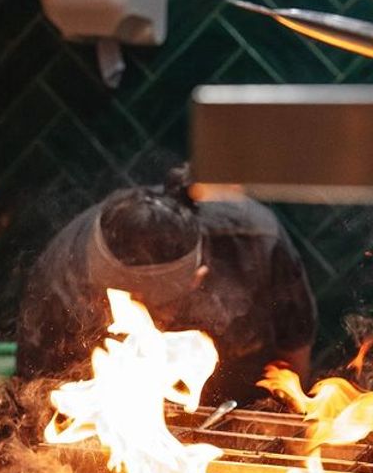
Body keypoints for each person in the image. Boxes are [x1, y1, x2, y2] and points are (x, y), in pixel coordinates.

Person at [16, 166, 317, 407]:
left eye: (156, 307)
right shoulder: (61, 279)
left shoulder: (254, 240)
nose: (142, 321)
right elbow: (37, 391)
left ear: (197, 277)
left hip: (242, 408)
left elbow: (294, 346)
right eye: (124, 303)